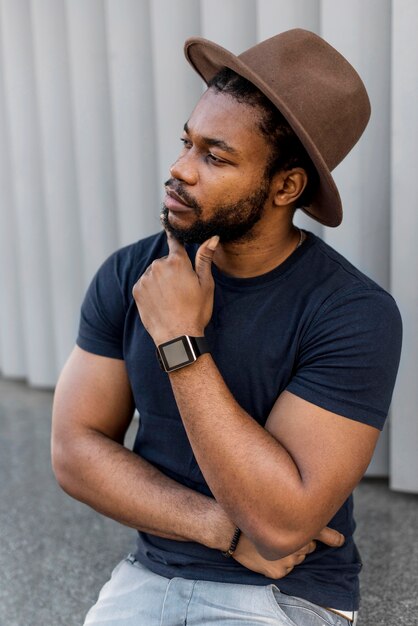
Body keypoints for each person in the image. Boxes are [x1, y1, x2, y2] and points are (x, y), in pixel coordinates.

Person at [51, 29, 402, 626]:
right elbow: (74, 451)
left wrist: (180, 344)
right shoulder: (133, 275)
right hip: (149, 577)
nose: (179, 170)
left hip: (288, 593)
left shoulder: (352, 313)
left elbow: (283, 522)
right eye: (186, 143)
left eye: (215, 157)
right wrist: (218, 530)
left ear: (286, 186)